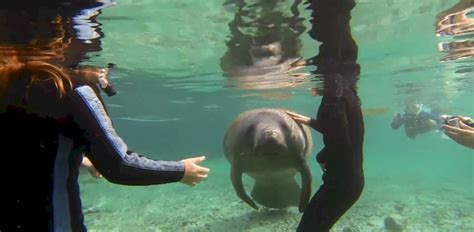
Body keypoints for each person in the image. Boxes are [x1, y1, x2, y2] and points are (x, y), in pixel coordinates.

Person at [0, 57, 210, 231]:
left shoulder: (8, 82)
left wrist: (82, 161)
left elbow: (25, 151)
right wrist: (180, 170)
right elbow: (119, 165)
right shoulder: (71, 88)